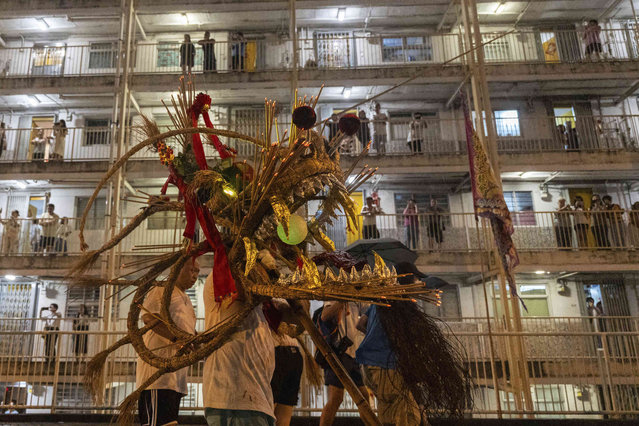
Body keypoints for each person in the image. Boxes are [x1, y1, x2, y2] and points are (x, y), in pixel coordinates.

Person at [202, 273, 276, 426]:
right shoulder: (223, 271)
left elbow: (296, 313)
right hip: (234, 398)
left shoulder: (260, 300)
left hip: (256, 396)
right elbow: (239, 297)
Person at [356, 262, 422, 426]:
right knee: (408, 416)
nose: (419, 283)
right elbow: (402, 336)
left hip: (369, 364)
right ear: (407, 281)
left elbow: (361, 324)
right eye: (416, 279)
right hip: (386, 365)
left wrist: (375, 337)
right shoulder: (400, 303)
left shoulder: (382, 300)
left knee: (388, 413)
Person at [136, 258, 199, 426]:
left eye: (197, 272)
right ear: (177, 270)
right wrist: (176, 338)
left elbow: (188, 332)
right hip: (158, 376)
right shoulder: (161, 290)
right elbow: (149, 318)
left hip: (176, 378)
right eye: (191, 270)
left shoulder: (186, 298)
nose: (194, 276)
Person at [318, 301, 368, 426]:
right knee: (336, 398)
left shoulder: (355, 299)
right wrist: (341, 302)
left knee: (364, 397)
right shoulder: (334, 297)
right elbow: (324, 316)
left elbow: (367, 310)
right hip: (338, 354)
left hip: (352, 355)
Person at [270, 299, 305, 426]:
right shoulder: (279, 297)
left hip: (284, 351)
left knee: (275, 410)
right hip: (286, 350)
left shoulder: (278, 297)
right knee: (276, 410)